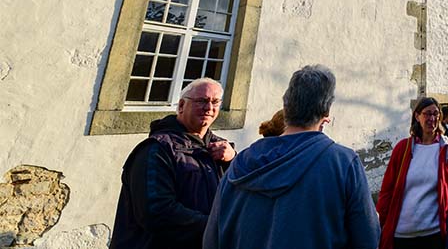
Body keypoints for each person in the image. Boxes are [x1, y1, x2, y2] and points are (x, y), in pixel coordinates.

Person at [203, 65, 379, 249]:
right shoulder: (342, 163)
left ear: (286, 106)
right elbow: (367, 240)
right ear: (326, 113)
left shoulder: (242, 161)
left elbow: (212, 239)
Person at [111, 78, 235, 249]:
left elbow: (239, 192)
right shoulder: (156, 149)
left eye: (215, 102)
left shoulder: (221, 148)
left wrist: (232, 159)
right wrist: (215, 226)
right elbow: (157, 212)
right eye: (201, 101)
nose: (209, 108)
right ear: (181, 105)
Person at [377, 97, 448, 249]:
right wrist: (379, 223)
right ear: (417, 116)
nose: (432, 118)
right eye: (427, 114)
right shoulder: (403, 148)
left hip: (434, 235)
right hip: (402, 234)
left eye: (436, 114)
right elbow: (387, 191)